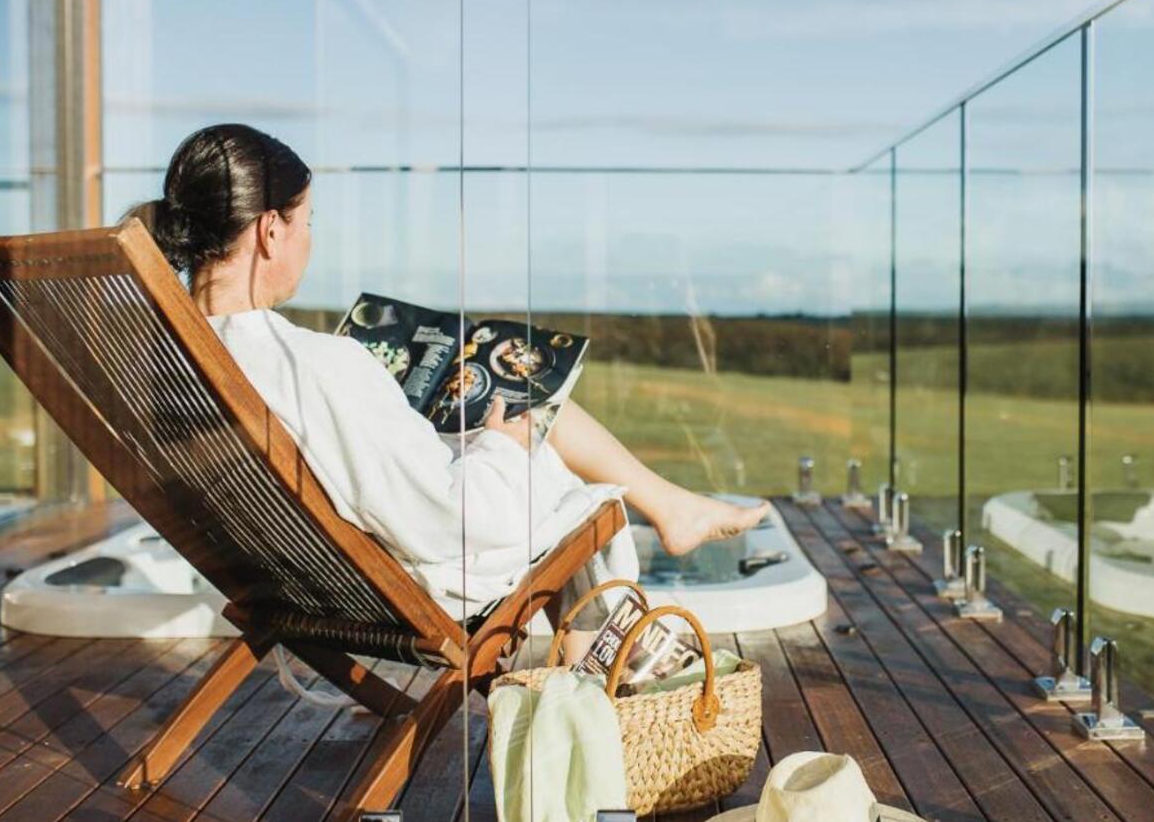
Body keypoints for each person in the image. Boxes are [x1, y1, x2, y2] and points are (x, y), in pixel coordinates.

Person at [130, 123, 768, 659]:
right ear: (271, 231)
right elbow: (453, 524)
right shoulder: (316, 365)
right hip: (411, 583)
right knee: (565, 477)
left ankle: (668, 512)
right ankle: (599, 694)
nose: (308, 240)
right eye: (307, 222)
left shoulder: (165, 363)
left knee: (525, 432)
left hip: (294, 581)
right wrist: (500, 447)